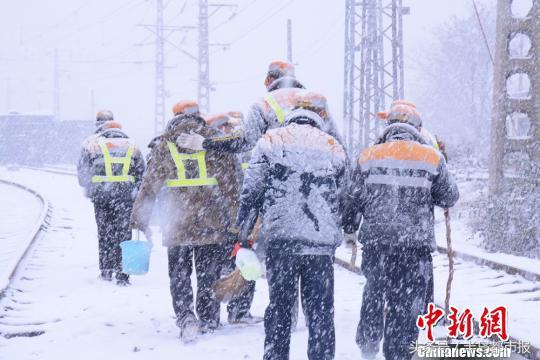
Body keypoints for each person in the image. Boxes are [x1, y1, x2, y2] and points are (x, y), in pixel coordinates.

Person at [342, 100, 459, 360]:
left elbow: (351, 198)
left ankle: (368, 345)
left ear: (389, 126)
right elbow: (449, 196)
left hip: (377, 245)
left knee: (374, 292)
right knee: (405, 304)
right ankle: (399, 353)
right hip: (414, 249)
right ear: (417, 128)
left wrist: (350, 227)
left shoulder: (368, 155)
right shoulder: (431, 157)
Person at [235, 92, 347, 360]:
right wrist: (343, 225)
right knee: (321, 312)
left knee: (280, 310)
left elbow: (251, 192)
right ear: (318, 120)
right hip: (319, 245)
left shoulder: (270, 141)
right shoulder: (333, 146)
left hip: (281, 242)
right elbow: (345, 195)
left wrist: (243, 235)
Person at [130, 101, 241, 342]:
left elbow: (148, 188)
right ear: (199, 117)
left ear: (176, 116)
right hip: (211, 223)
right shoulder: (216, 141)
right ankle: (209, 318)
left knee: (179, 275)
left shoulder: (163, 144)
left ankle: (185, 317)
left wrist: (139, 221)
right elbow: (233, 188)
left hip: (176, 223)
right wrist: (236, 223)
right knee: (208, 275)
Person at [176, 60, 342, 153]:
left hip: (280, 180)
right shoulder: (316, 102)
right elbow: (338, 145)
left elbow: (245, 141)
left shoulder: (264, 104)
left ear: (269, 80)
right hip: (319, 184)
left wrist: (206, 143)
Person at [77, 111, 145, 286]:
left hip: (102, 196)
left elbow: (82, 172)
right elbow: (141, 172)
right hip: (126, 196)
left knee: (105, 232)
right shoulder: (132, 145)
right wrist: (134, 190)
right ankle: (123, 275)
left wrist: (91, 188)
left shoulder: (92, 144)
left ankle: (106, 270)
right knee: (123, 233)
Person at [204, 111, 259, 325]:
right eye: (228, 126)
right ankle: (235, 311)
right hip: (233, 218)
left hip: (236, 218)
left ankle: (233, 311)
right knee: (241, 263)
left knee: (242, 264)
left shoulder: (228, 149)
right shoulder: (225, 149)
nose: (230, 129)